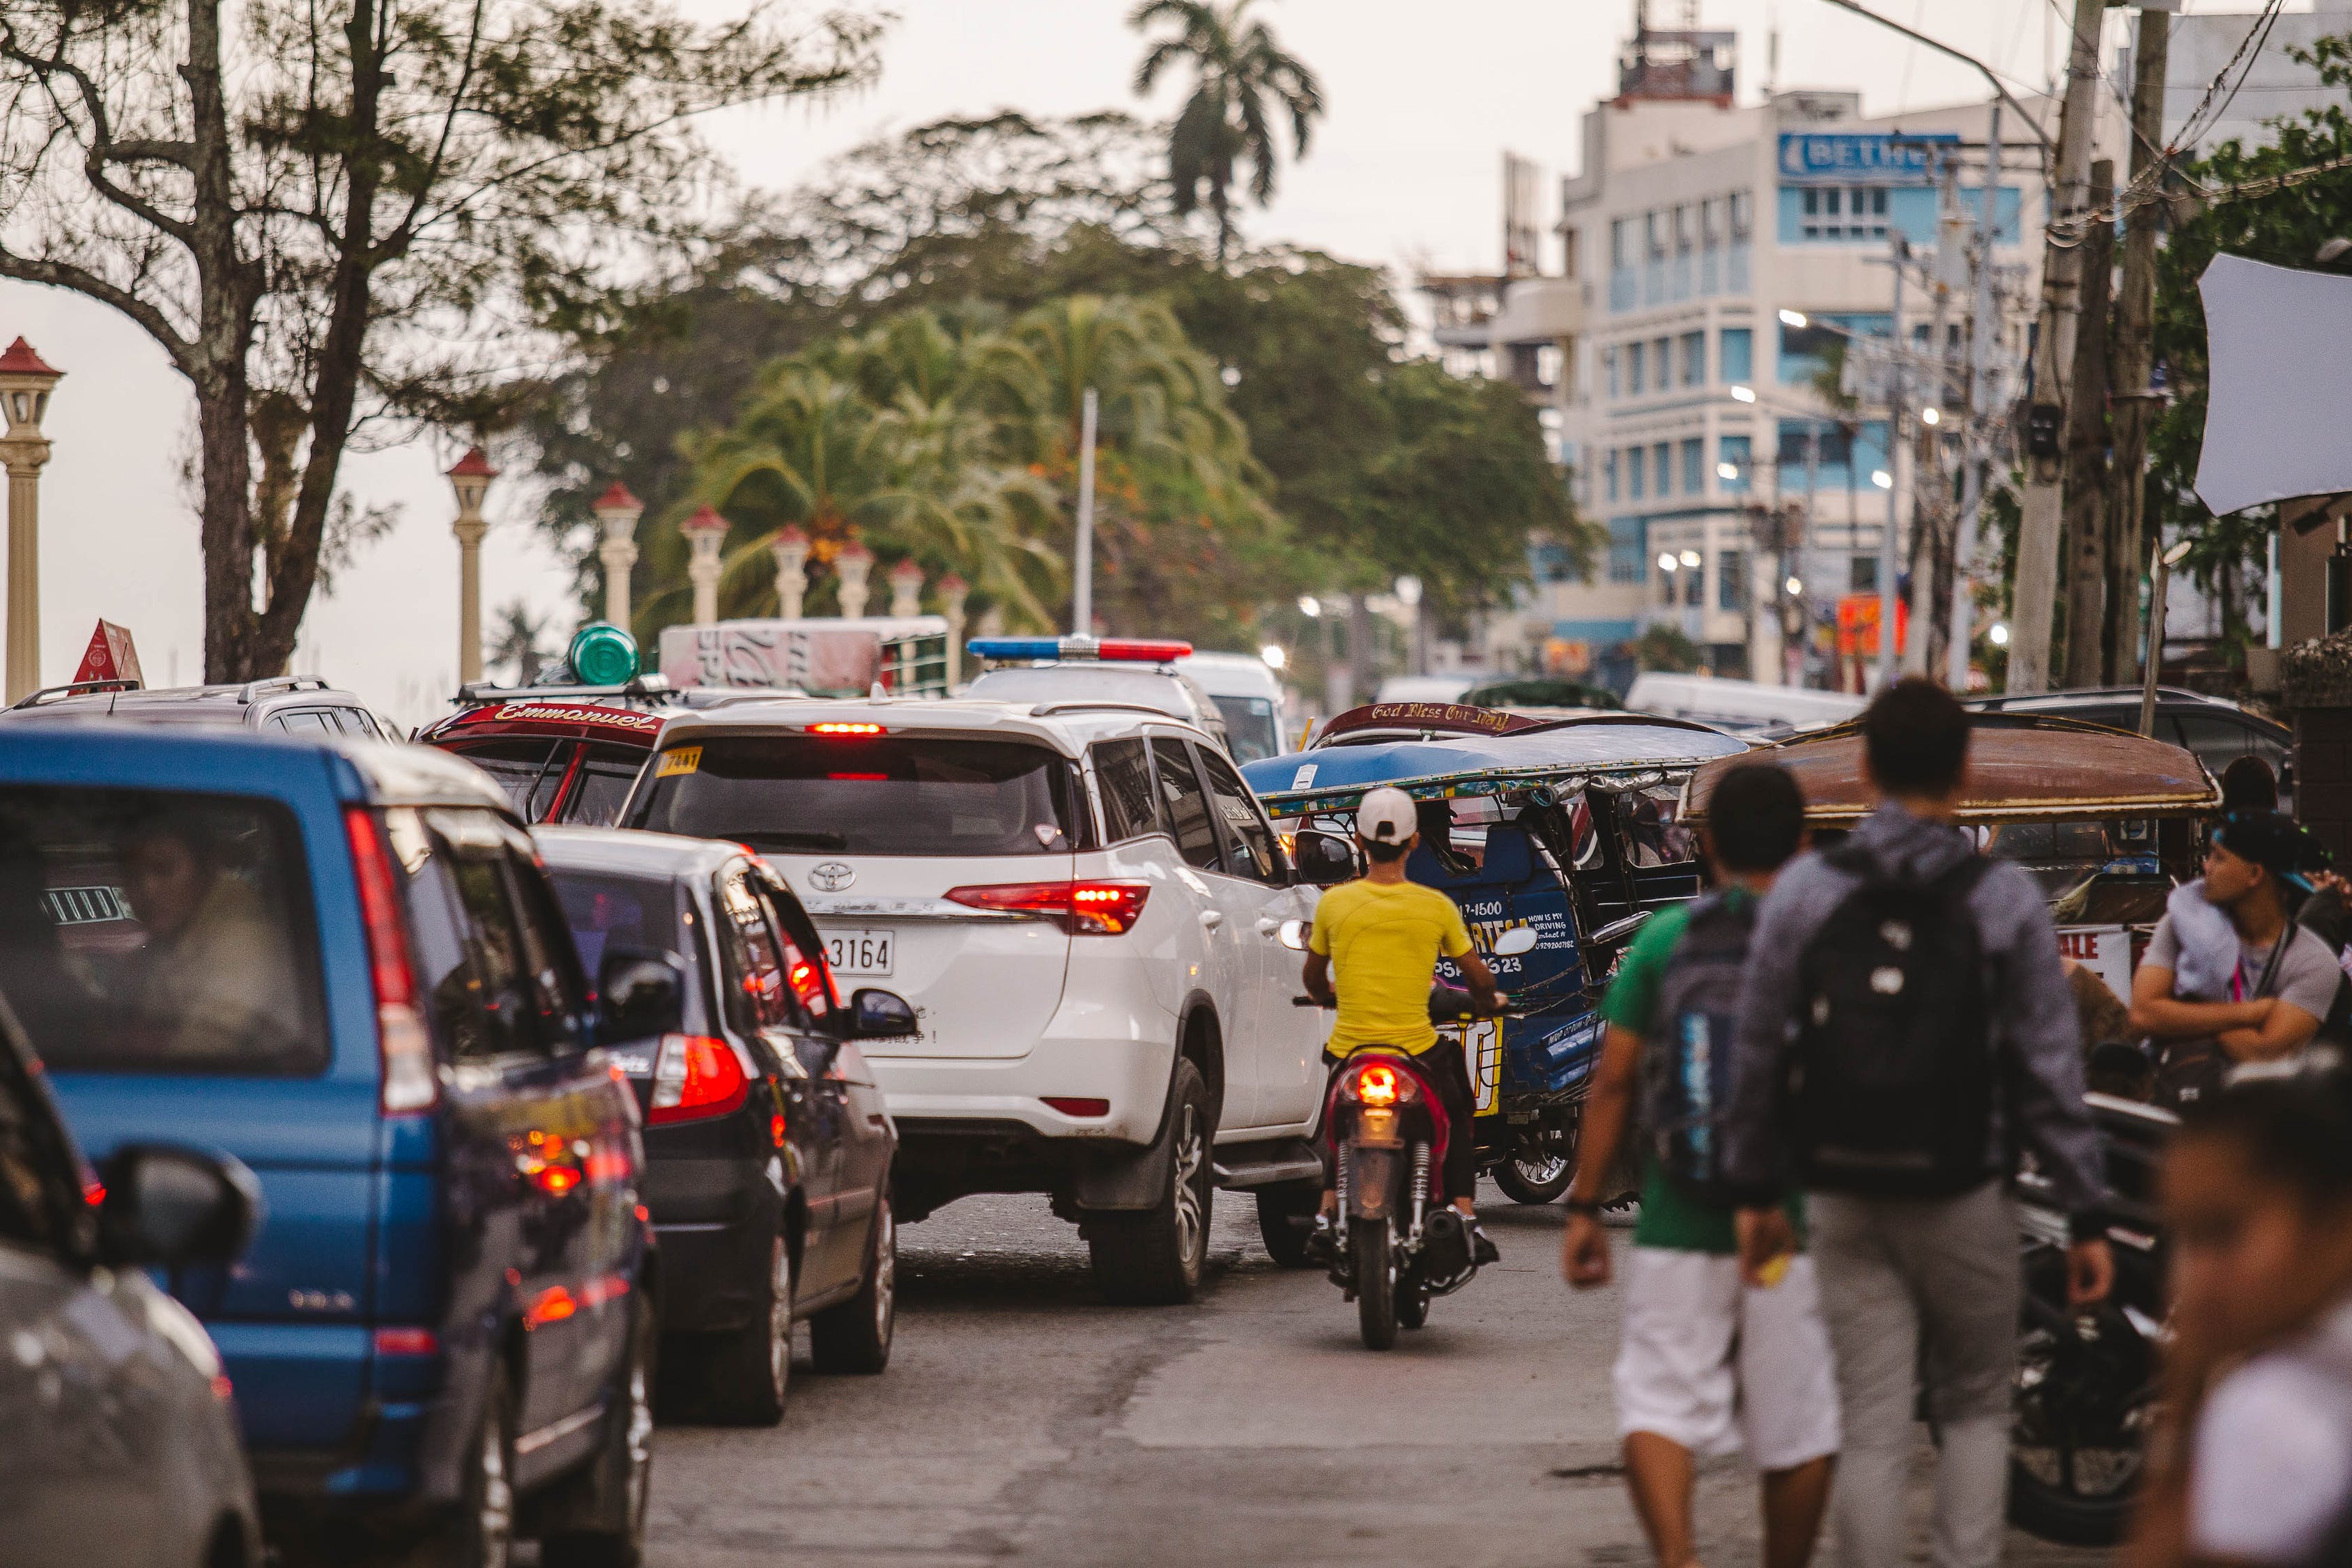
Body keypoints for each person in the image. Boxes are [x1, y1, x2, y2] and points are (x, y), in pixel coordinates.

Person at [1723, 677, 2112, 1568]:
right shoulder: (2002, 896)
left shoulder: (1809, 890)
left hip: (1841, 1184)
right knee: (1976, 1405)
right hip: (1964, 1183)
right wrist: (2085, 1210)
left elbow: (1757, 1052)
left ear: (1862, 767)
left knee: (1868, 1416)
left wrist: (1754, 1189)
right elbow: (2047, 1070)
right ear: (1965, 771)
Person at [1563, 760, 1838, 1568]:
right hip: (1794, 1222)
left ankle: (1677, 1560)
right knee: (1798, 1425)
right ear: (1801, 842)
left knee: (1658, 1403)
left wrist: (1584, 1208)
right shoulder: (1824, 943)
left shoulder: (1665, 939)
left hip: (1679, 1207)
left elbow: (1613, 1081)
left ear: (1706, 845)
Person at [2126, 1067, 2352, 1568]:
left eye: (2222, 1234)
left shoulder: (2272, 1409)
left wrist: (2182, 1397)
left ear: (2336, 1222)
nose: (2192, 1275)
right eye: (2182, 1239)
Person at [1302, 785, 1503, 1264]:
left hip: (1354, 1050)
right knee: (1456, 1113)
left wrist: (1325, 994)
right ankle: (1463, 1211)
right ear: (1414, 842)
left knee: (1334, 1120)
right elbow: (1477, 977)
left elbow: (1312, 977)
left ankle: (1327, 1210)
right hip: (1417, 1050)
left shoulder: (1333, 905)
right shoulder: (1434, 907)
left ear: (1358, 841)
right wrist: (1486, 999)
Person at [2129, 810, 2341, 1088]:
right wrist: (2252, 1013)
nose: (2207, 868)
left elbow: (2262, 1053)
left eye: (2219, 857)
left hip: (2258, 1120)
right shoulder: (2181, 926)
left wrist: (2184, 1012)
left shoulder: (2313, 962)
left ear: (2254, 874)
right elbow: (2143, 1015)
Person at [120, 810, 306, 1064]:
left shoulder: (240, 940)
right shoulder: (176, 936)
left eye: (163, 870)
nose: (146, 890)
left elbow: (197, 1055)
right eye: (131, 876)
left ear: (205, 869)